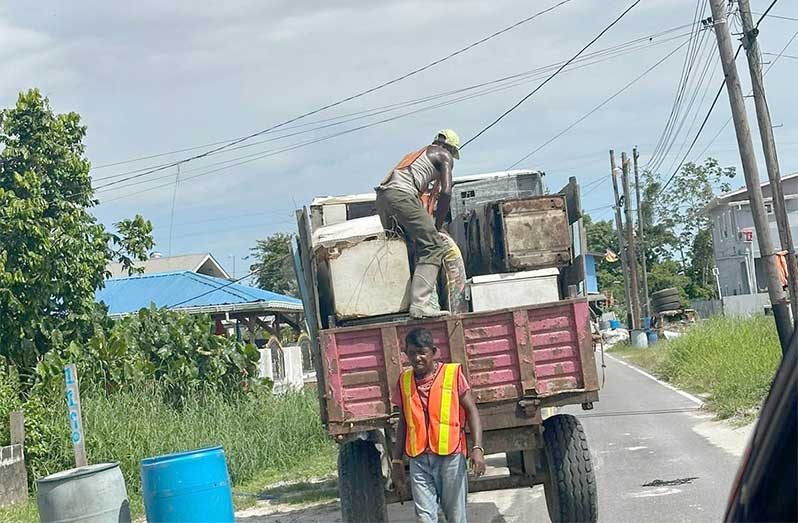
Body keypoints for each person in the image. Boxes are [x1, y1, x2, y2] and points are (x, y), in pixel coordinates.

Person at [390, 327, 485, 523]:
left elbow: (472, 410)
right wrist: (397, 461)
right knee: (425, 519)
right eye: (412, 353)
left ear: (433, 352)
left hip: (450, 457)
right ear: (406, 354)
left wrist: (477, 448)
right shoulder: (404, 381)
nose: (417, 358)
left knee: (455, 518)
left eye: (422, 352)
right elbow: (403, 422)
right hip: (419, 460)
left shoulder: (452, 374)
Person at [375, 130, 460, 318]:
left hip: (383, 197)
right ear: (449, 148)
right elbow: (446, 193)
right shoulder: (444, 155)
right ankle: (420, 304)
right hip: (401, 196)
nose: (451, 158)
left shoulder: (416, 155)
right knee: (434, 246)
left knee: (403, 248)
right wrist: (436, 226)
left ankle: (397, 303)